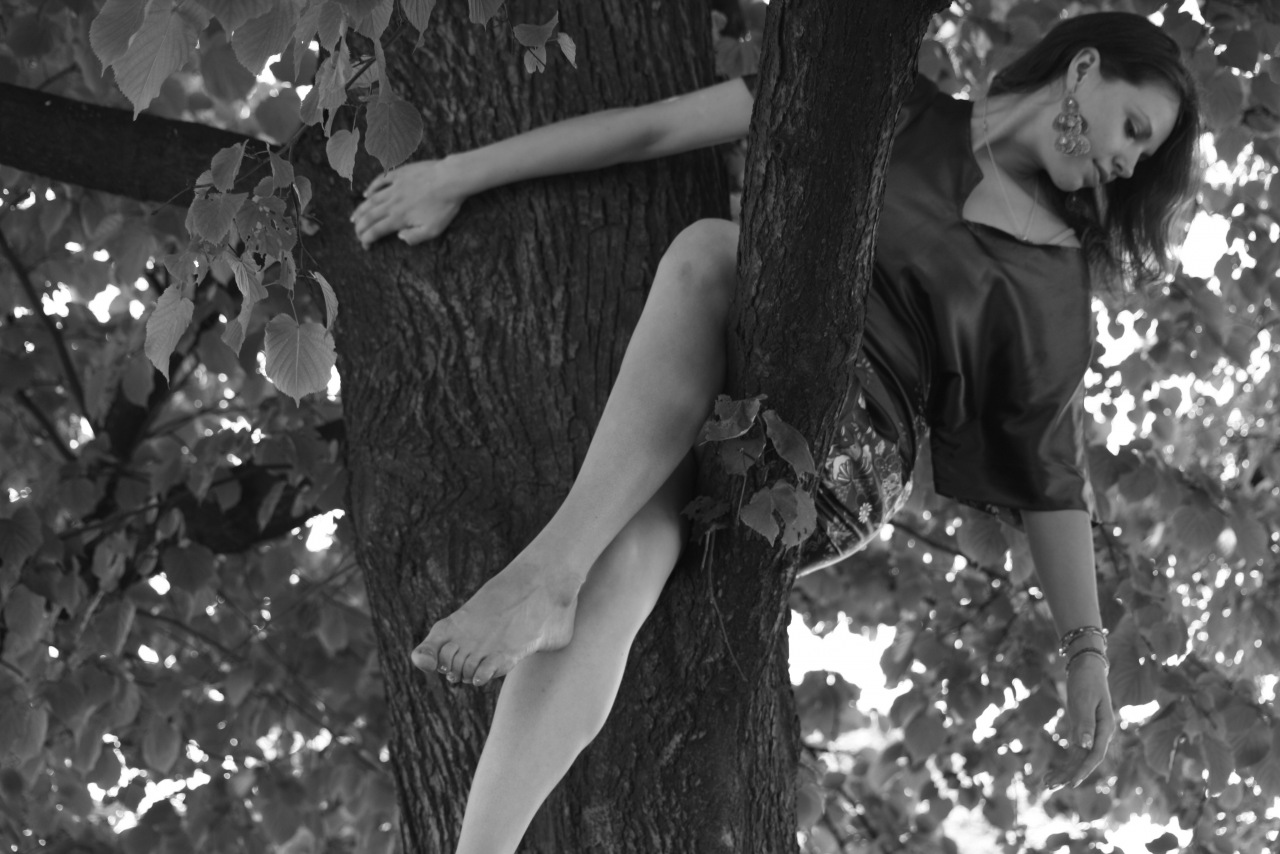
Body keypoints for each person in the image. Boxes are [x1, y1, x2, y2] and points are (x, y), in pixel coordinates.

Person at [350, 12, 1200, 854]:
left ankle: (543, 575)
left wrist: (1087, 654)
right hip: (719, 381)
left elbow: (1053, 482)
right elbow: (654, 129)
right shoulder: (882, 103)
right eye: (1134, 128)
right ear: (1083, 67)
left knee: (710, 248)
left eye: (1143, 157)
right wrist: (455, 175)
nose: (1127, 163)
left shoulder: (1053, 285)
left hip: (842, 461)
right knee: (629, 558)